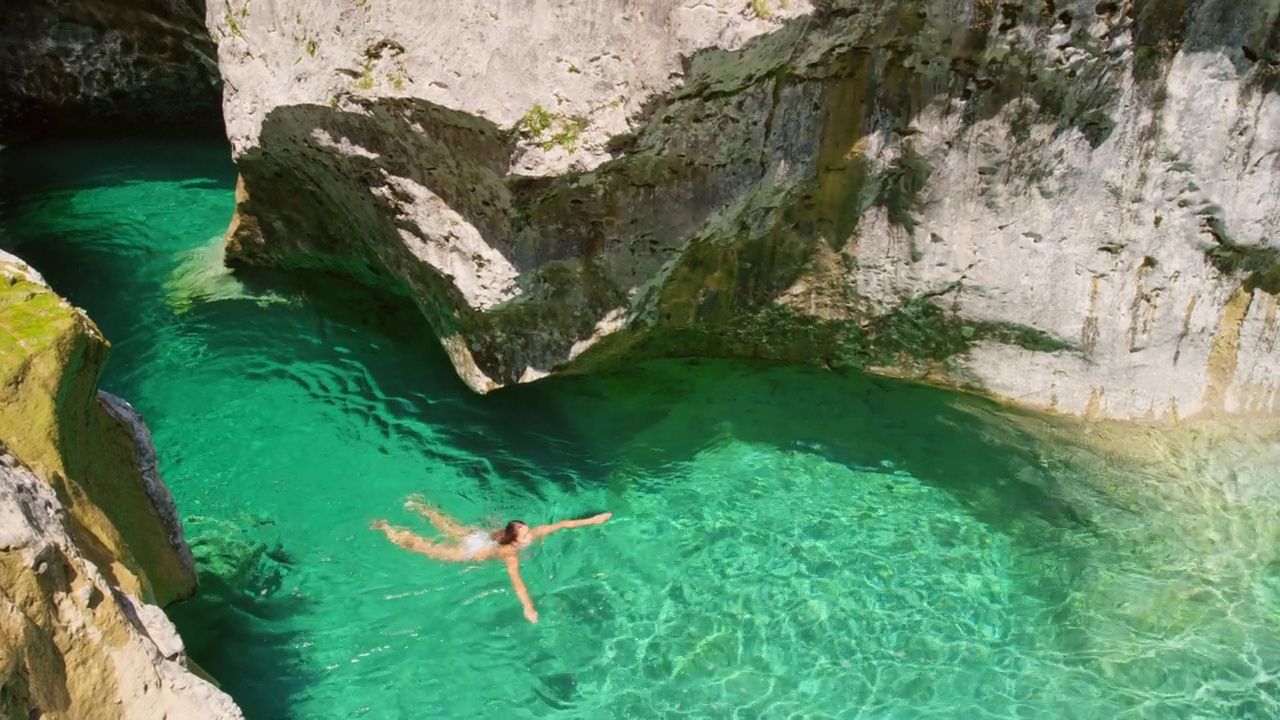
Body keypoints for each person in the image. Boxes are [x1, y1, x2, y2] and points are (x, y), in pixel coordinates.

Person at [370, 495, 612, 624]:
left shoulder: (521, 536)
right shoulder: (509, 552)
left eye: (529, 531)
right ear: (515, 540)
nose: (531, 535)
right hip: (469, 552)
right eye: (526, 534)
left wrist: (593, 520)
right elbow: (516, 580)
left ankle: (422, 506)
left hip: (479, 537)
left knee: (451, 527)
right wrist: (528, 606)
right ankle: (386, 528)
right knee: (425, 547)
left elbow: (562, 524)